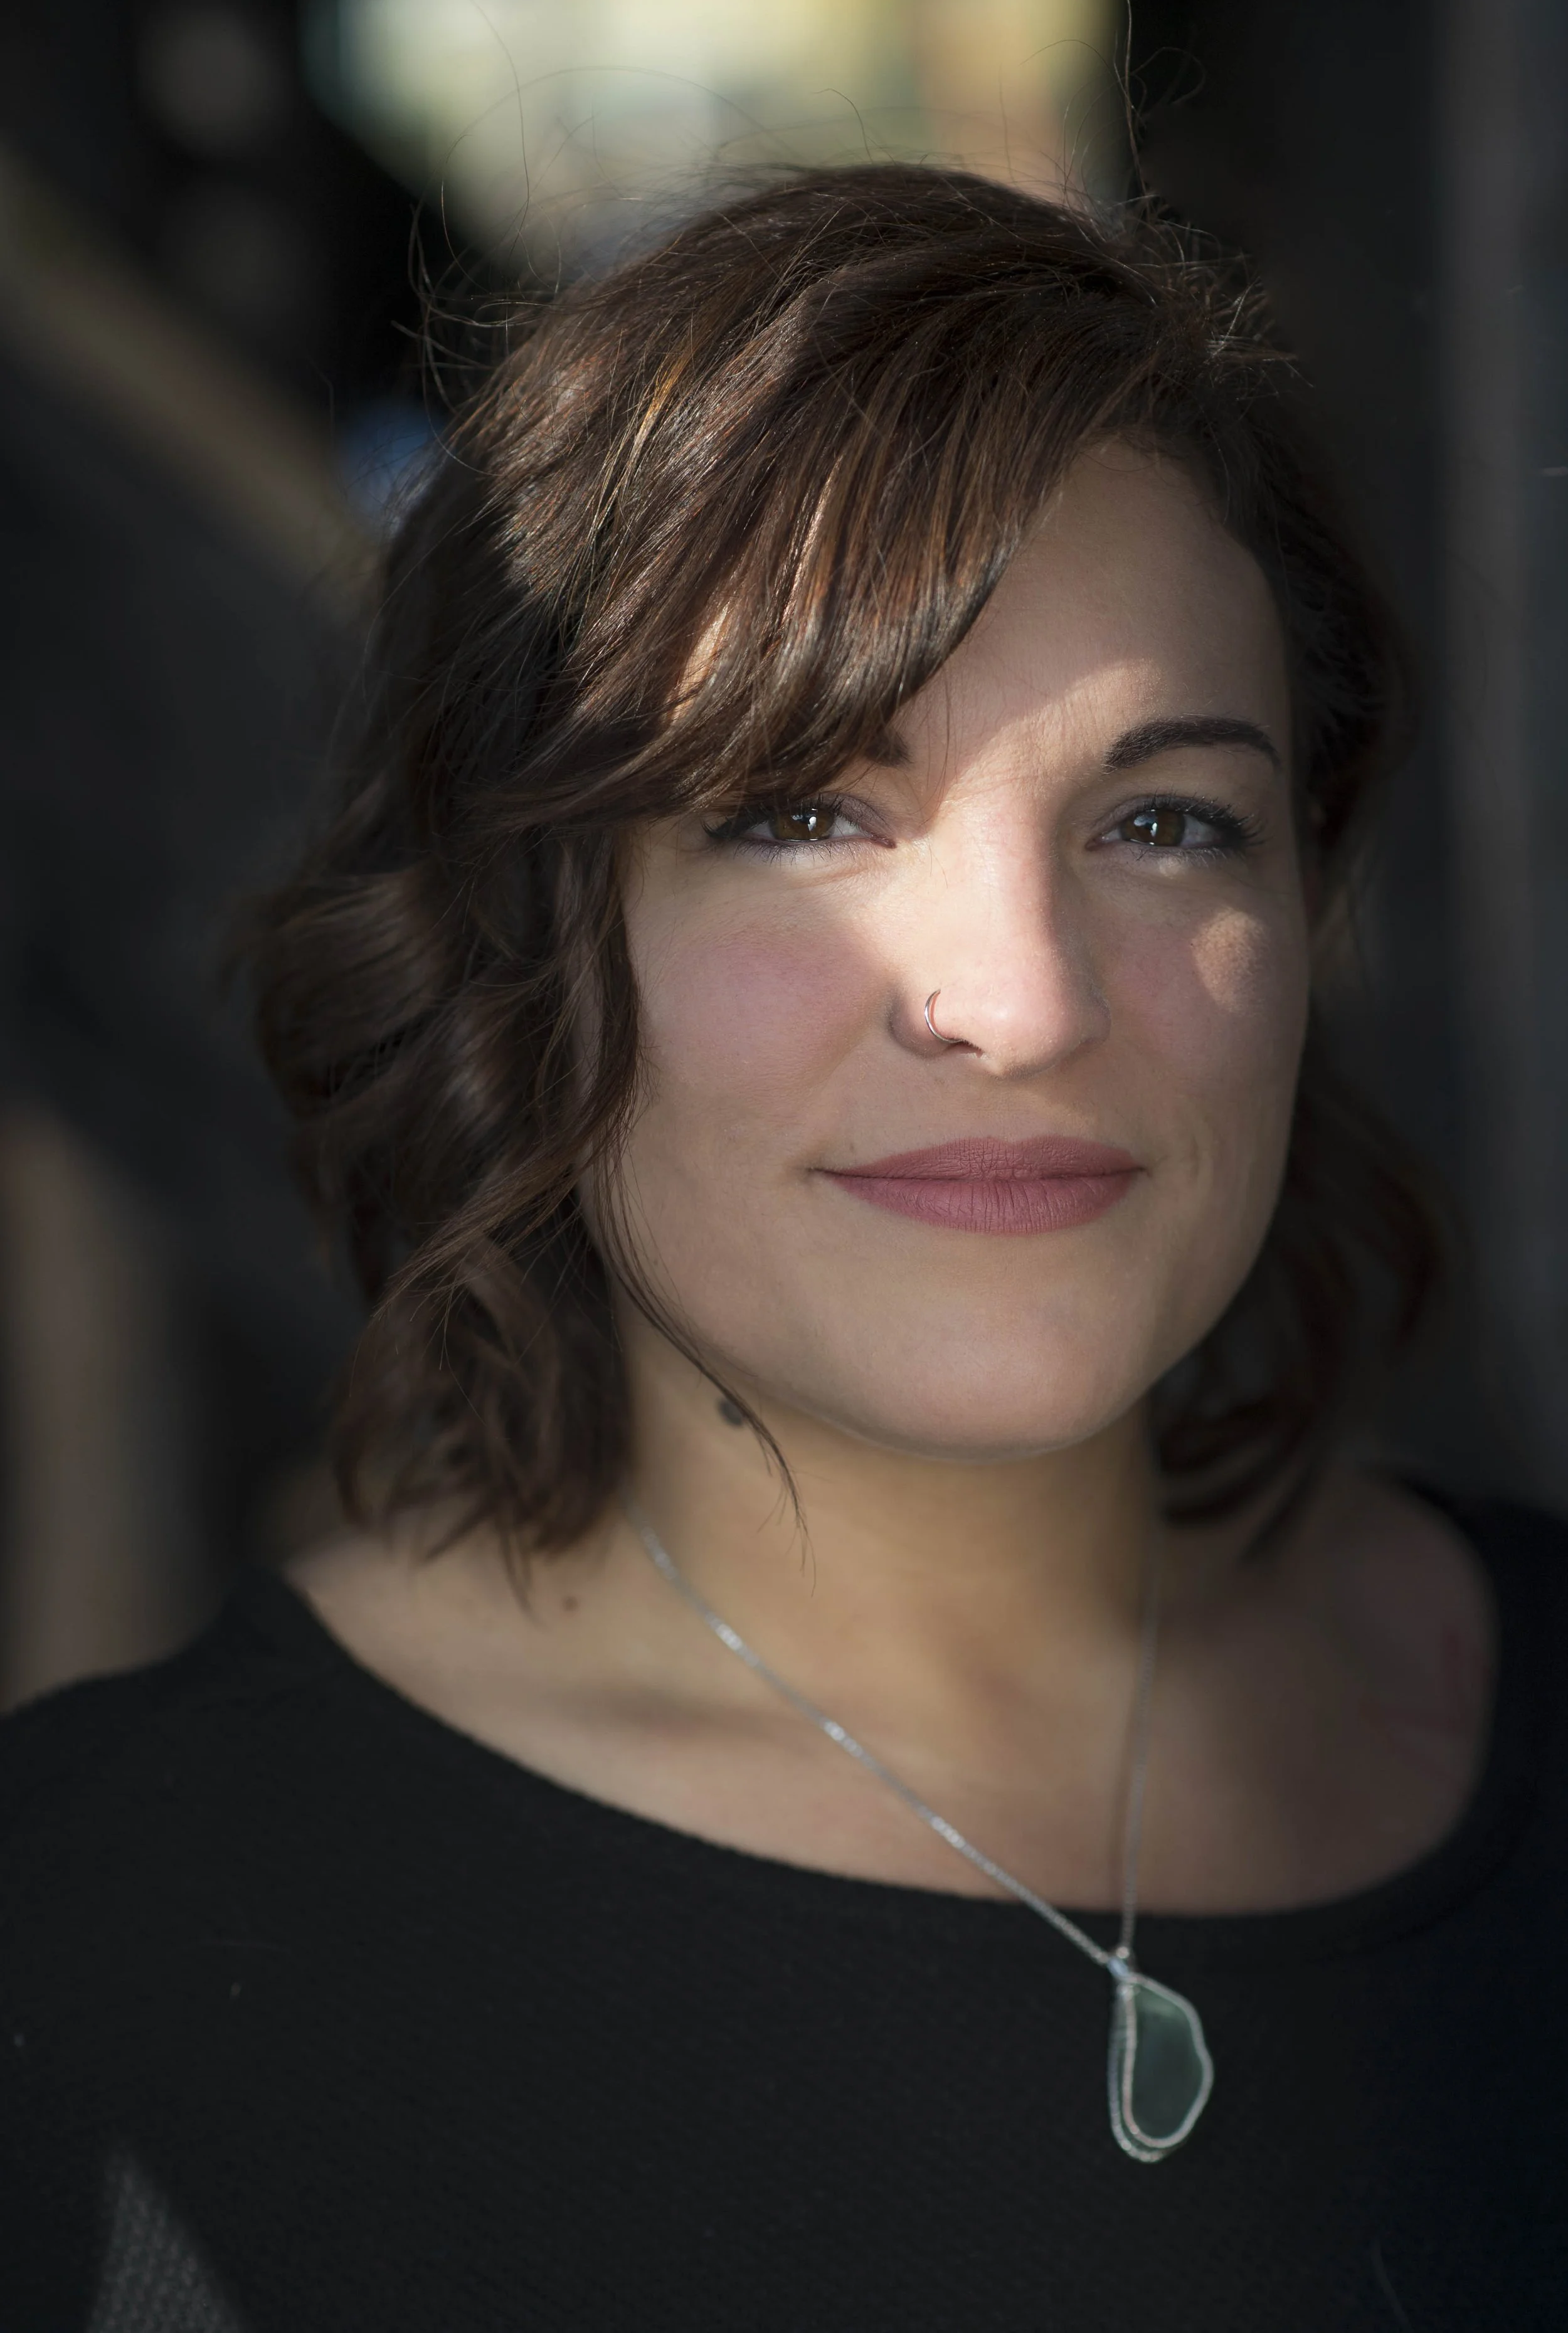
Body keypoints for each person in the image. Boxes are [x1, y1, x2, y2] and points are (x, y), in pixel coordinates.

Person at [4, 165, 1564, 2331]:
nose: (1014, 1000)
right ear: (529, 937)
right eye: (800, 813)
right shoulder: (96, 1960)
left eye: (1160, 821)